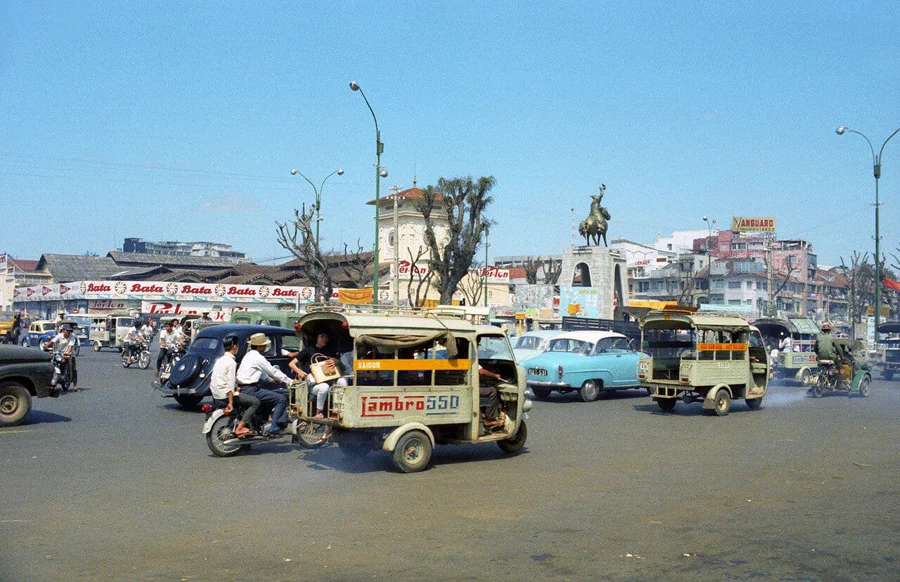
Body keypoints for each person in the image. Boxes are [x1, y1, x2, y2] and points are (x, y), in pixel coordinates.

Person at [236, 333, 293, 435]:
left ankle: (262, 422)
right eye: (264, 344)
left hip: (244, 388)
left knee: (271, 395)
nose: (265, 346)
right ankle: (274, 426)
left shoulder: (248, 355)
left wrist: (272, 381)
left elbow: (262, 374)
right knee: (281, 398)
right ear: (259, 346)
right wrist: (290, 381)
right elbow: (272, 371)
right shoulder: (258, 358)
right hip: (251, 389)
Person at [290, 329, 348, 418]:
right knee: (324, 387)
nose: (325, 339)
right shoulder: (308, 350)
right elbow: (291, 363)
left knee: (342, 381)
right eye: (322, 336)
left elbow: (340, 364)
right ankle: (319, 412)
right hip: (313, 384)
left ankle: (340, 410)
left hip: (330, 381)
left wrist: (336, 361)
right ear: (316, 338)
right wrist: (300, 372)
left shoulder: (330, 351)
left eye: (326, 337)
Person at [209, 334, 259, 437]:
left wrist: (236, 387)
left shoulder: (220, 360)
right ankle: (240, 428)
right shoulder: (231, 362)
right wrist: (231, 403)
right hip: (225, 396)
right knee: (255, 402)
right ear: (235, 347)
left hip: (216, 395)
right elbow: (230, 384)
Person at [45, 323, 79, 392]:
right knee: (51, 363)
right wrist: (46, 346)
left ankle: (75, 385)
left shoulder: (72, 336)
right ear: (63, 330)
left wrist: (68, 353)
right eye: (67, 330)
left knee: (72, 368)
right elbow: (52, 341)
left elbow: (70, 346)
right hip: (59, 353)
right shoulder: (59, 336)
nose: (68, 332)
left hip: (69, 354)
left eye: (69, 331)